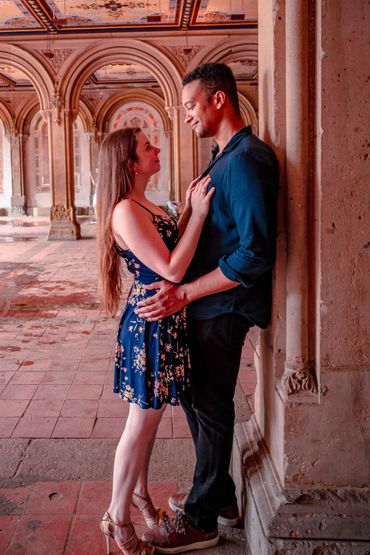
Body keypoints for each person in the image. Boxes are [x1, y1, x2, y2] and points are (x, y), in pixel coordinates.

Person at [137, 63, 279, 553]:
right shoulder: (226, 155)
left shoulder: (246, 159)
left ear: (219, 100)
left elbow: (255, 251)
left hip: (225, 305)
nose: (188, 117)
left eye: (191, 106)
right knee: (196, 400)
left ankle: (201, 520)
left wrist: (187, 292)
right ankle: (219, 496)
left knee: (211, 406)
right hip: (207, 304)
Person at [96, 127, 214, 555]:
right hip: (149, 325)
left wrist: (185, 211)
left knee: (148, 421)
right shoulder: (125, 210)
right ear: (130, 163)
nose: (157, 149)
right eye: (148, 147)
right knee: (139, 425)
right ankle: (117, 518)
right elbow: (172, 269)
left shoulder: (142, 201)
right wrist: (198, 215)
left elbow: (169, 243)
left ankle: (140, 496)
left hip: (162, 320)